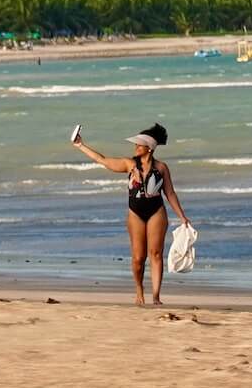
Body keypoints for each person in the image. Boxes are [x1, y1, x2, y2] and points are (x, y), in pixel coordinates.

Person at [69, 121, 191, 306]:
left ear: (149, 148)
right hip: (135, 213)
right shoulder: (128, 164)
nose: (135, 147)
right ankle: (139, 290)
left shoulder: (162, 168)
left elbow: (170, 193)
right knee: (138, 258)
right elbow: (102, 160)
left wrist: (182, 216)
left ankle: (156, 296)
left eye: (139, 144)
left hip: (157, 212)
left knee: (156, 254)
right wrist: (80, 145)